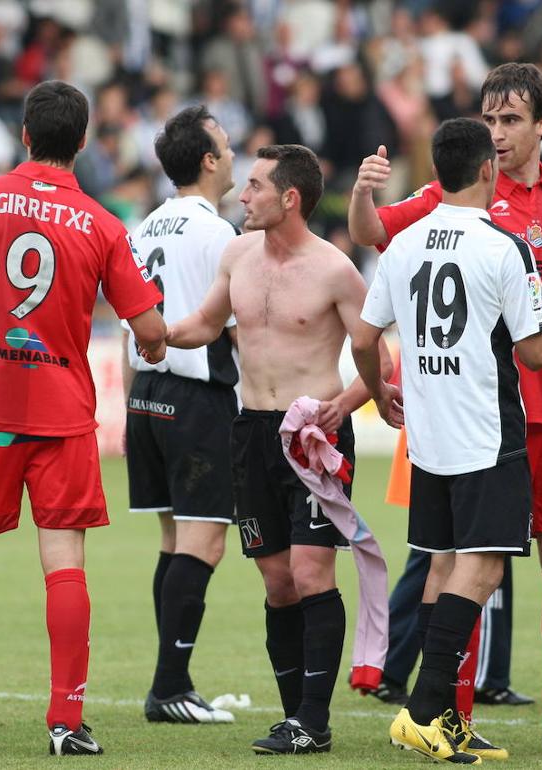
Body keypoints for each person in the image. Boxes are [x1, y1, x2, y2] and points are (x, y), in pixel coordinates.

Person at [349, 62, 542, 756]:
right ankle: (449, 715)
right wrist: (361, 193)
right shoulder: (453, 193)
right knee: (462, 567)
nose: (498, 132)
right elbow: (370, 231)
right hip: (482, 415)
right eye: (490, 119)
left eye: (511, 119)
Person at [0, 80, 166, 756]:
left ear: (23, 135)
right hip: (61, 413)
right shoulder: (102, 224)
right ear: (82, 141)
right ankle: (66, 723)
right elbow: (150, 329)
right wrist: (157, 344)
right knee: (63, 563)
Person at [166, 143, 390, 755]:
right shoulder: (237, 254)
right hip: (251, 432)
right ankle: (296, 717)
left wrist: (344, 405)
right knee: (277, 583)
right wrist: (159, 333)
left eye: (256, 186)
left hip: (314, 439)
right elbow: (206, 323)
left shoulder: (335, 270)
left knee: (311, 572)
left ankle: (313, 720)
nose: (243, 195)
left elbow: (378, 357)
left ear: (289, 198)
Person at [124, 105, 239, 725]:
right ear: (208, 160)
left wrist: (131, 406)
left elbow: (131, 324)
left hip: (146, 393)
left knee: (173, 542)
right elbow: (235, 329)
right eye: (226, 144)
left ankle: (172, 680)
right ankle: (170, 686)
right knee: (204, 543)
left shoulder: (145, 226)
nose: (233, 153)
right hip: (198, 399)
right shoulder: (219, 234)